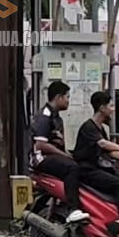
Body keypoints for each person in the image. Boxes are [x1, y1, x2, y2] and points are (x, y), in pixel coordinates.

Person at [72, 91, 119, 237]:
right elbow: (103, 144)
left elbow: (111, 153)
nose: (113, 109)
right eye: (111, 106)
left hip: (99, 168)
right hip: (87, 170)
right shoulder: (89, 127)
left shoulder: (101, 129)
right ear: (102, 108)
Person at [29, 81, 88, 225]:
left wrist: (68, 154)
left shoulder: (57, 118)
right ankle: (73, 209)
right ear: (58, 97)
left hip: (53, 157)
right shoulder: (45, 116)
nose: (68, 100)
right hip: (41, 159)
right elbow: (41, 145)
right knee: (72, 167)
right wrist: (65, 156)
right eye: (67, 97)